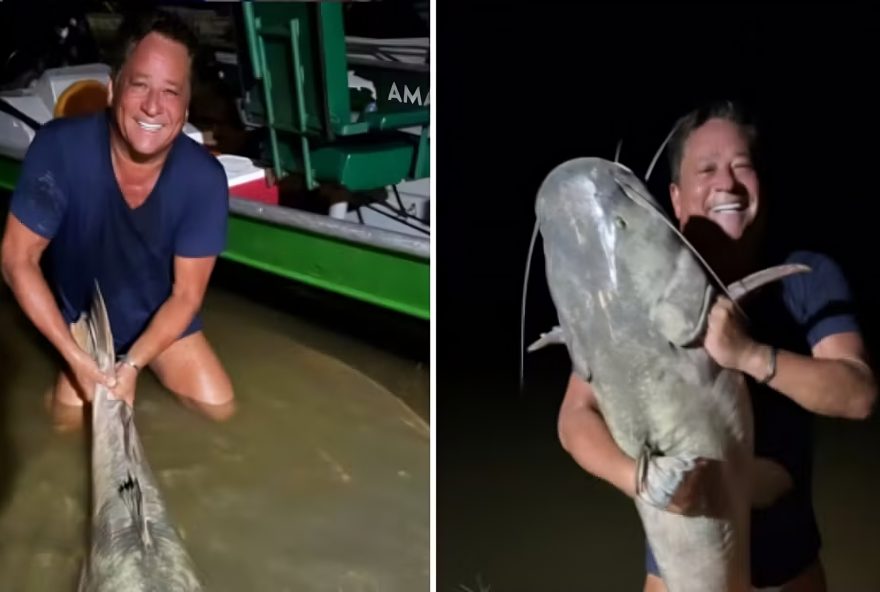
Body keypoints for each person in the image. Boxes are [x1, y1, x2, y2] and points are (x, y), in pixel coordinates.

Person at [557, 100, 877, 591]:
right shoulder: (639, 289)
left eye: (741, 167)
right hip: (675, 570)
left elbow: (858, 395)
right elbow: (575, 416)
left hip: (787, 571)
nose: (726, 183)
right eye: (706, 170)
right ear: (676, 197)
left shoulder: (807, 276)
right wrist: (641, 481)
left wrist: (747, 354)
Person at [0, 9, 235, 427]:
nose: (152, 106)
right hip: (86, 326)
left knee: (220, 410)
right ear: (113, 89)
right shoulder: (59, 149)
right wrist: (75, 359)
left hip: (162, 326)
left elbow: (186, 297)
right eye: (139, 85)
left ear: (186, 105)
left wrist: (132, 367)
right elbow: (18, 259)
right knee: (65, 426)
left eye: (170, 92)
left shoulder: (204, 179)